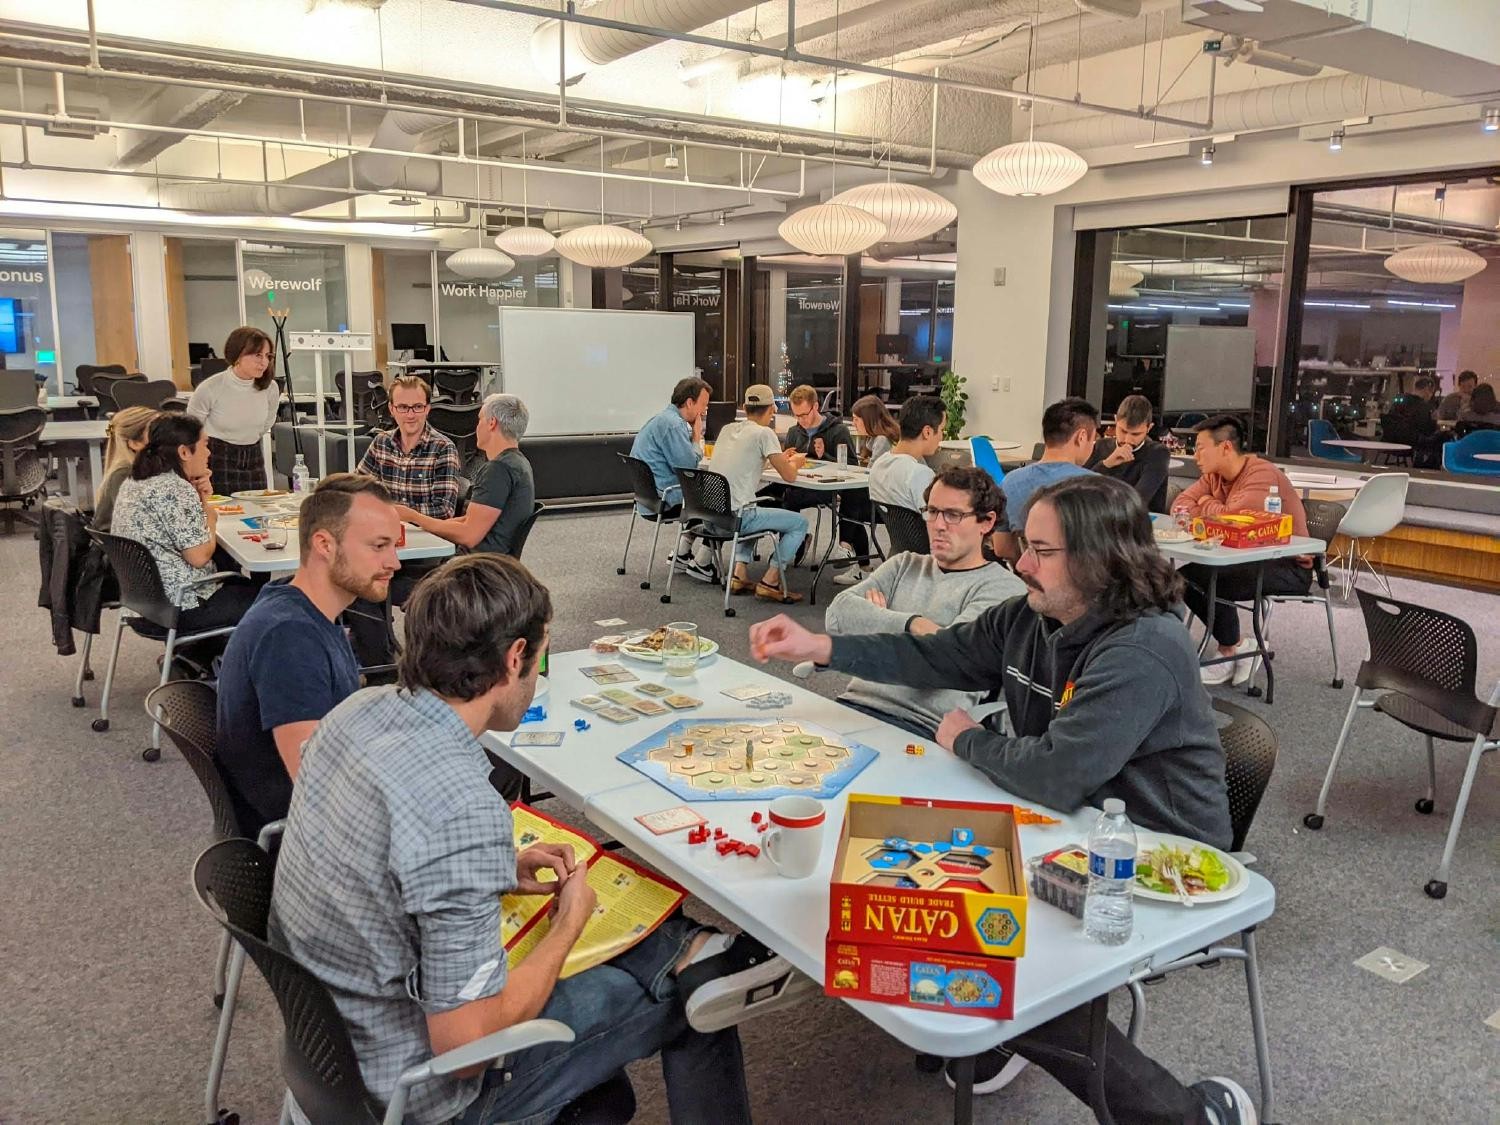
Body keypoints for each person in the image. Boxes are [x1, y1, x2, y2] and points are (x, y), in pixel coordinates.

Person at [748, 475, 1254, 1124]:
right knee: (920, 871)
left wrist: (969, 739)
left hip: (1151, 850)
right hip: (1062, 818)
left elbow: (1055, 774)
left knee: (1007, 954)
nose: (1020, 563)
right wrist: (823, 646)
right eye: (1025, 545)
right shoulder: (1036, 612)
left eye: (1042, 551)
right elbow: (938, 656)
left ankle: (1187, 1115)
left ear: (1100, 560)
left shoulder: (1143, 646)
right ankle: (995, 1025)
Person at [269, 554, 809, 1125]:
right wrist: (567, 925)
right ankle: (697, 963)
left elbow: (385, 844)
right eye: (540, 657)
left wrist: (499, 865)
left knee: (622, 939)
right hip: (420, 1090)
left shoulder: (358, 711)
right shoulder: (461, 808)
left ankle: (687, 953)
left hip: (336, 1045)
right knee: (699, 1003)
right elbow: (463, 1048)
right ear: (515, 656)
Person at [214, 474, 401, 839]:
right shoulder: (289, 637)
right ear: (324, 545)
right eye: (379, 546)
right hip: (307, 841)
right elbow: (318, 789)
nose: (394, 562)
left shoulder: (296, 603)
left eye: (394, 545)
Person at [826, 465, 1024, 738]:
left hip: (919, 728)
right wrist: (913, 623)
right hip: (850, 706)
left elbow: (944, 656)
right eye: (932, 511)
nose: (938, 525)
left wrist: (873, 622)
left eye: (953, 515)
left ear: (987, 522)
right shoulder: (903, 564)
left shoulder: (1004, 589)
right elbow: (836, 616)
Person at [1172, 414, 1311, 686]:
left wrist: (1205, 504)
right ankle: (1237, 646)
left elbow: (1233, 518)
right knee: (1183, 578)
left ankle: (1231, 650)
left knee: (1204, 579)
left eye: (1200, 448)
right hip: (1239, 557)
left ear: (1225, 447)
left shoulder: (1261, 474)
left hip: (1288, 565)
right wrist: (1210, 504)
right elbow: (1179, 506)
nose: (1195, 455)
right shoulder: (1214, 476)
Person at [111, 413, 259, 635]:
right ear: (183, 452)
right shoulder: (175, 489)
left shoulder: (135, 481)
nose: (209, 453)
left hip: (141, 606)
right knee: (274, 600)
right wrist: (209, 515)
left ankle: (196, 658)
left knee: (242, 583)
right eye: (205, 446)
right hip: (181, 606)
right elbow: (199, 557)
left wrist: (201, 497)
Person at [397, 393, 535, 558]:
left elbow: (469, 535)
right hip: (494, 562)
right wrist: (429, 526)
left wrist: (414, 517)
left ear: (492, 423)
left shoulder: (498, 470)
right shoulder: (518, 463)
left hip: (476, 566)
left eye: (480, 420)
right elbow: (471, 520)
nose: (476, 427)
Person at [707, 384, 808, 603]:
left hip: (713, 516)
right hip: (739, 518)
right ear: (772, 409)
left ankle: (739, 574)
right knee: (799, 523)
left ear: (744, 407)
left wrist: (778, 457)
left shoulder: (727, 429)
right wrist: (795, 463)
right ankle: (771, 580)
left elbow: (745, 463)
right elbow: (790, 477)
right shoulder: (765, 433)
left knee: (753, 505)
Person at [779, 384, 869, 585]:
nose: (801, 420)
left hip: (830, 487)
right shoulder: (795, 431)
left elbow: (852, 467)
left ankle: (853, 554)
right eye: (797, 416)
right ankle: (795, 540)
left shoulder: (838, 430)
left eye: (804, 414)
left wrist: (824, 456)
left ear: (816, 407)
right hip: (801, 483)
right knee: (782, 497)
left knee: (852, 498)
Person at [629, 376, 716, 582]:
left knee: (702, 494)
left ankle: (681, 552)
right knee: (721, 502)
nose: (704, 411)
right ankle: (704, 563)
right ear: (689, 402)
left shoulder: (659, 420)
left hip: (647, 497)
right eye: (703, 405)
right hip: (666, 498)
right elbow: (688, 468)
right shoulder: (674, 425)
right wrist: (696, 439)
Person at [993, 397, 1098, 561]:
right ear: (1082, 437)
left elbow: (1001, 548)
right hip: (1079, 581)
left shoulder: (1010, 481)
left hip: (1025, 578)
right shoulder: (1095, 485)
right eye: (1093, 441)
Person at [186, 325, 281, 494]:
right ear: (238, 355)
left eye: (268, 356)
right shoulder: (211, 387)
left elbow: (266, 424)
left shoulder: (271, 388)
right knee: (223, 511)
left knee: (258, 509)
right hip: (217, 456)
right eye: (257, 355)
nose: (264, 362)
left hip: (253, 455)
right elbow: (191, 431)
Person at [357, 374, 463, 519]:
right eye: (403, 407)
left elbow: (444, 511)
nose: (410, 415)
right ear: (392, 409)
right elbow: (356, 490)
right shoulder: (381, 443)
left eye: (418, 407)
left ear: (427, 409)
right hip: (385, 531)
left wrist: (393, 512)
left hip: (426, 536)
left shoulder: (444, 448)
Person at [1086, 394, 1171, 513]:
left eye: (1136, 434)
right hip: (1099, 519)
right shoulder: (1101, 446)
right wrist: (1106, 464)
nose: (1127, 440)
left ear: (1149, 428)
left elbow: (1138, 500)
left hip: (1141, 523)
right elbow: (1080, 489)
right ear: (1116, 420)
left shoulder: (1157, 453)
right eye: (1123, 431)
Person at [868, 393, 944, 511]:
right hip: (923, 529)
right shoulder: (920, 474)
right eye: (942, 430)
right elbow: (937, 522)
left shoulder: (878, 466)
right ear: (927, 432)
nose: (941, 437)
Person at [92, 405, 157, 533]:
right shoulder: (125, 474)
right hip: (126, 550)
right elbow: (139, 523)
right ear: (135, 443)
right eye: (156, 433)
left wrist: (208, 498)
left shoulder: (147, 469)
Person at [850, 393, 900, 466]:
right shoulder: (873, 438)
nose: (853, 423)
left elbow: (873, 473)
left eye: (856, 419)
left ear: (868, 419)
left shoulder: (882, 440)